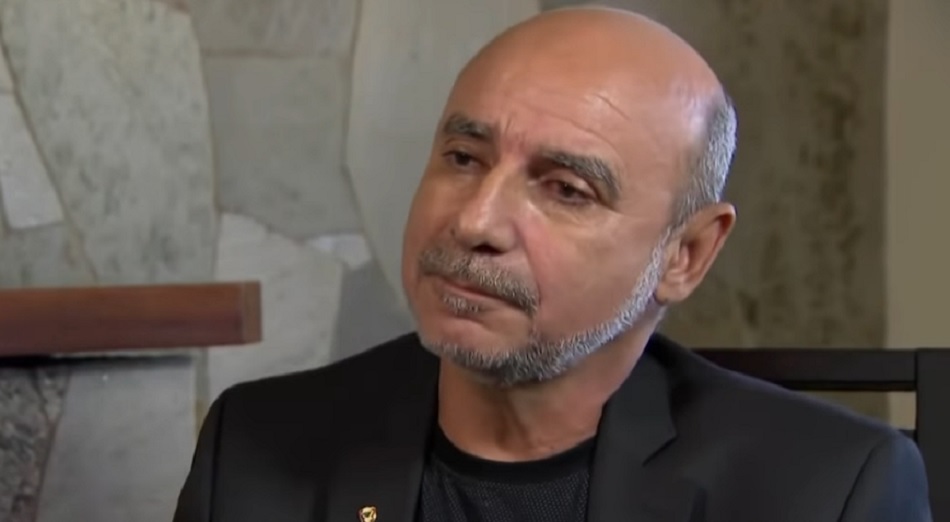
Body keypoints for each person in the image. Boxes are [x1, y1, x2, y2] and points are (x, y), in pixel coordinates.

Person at [174, 6, 931, 522]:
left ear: (686, 254)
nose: (475, 222)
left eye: (566, 189)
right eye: (463, 157)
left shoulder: (828, 492)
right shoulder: (255, 447)